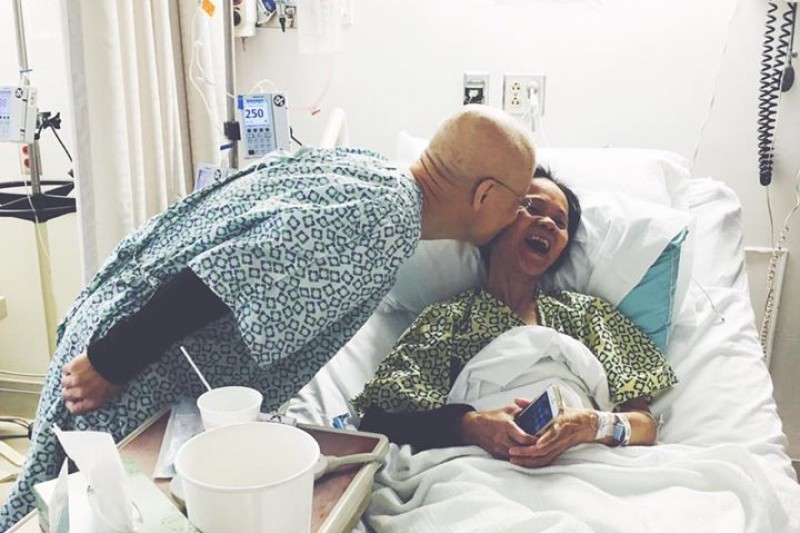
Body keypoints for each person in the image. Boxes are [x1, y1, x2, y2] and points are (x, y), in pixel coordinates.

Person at [0, 105, 536, 530]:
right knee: (56, 509)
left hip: (120, 320)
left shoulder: (370, 171)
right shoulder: (386, 221)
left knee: (45, 497)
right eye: (521, 202)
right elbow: (220, 276)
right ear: (484, 195)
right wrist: (110, 361)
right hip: (130, 364)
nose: (520, 216)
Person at [353, 168, 678, 467]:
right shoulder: (446, 319)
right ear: (497, 222)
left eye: (560, 222)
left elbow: (645, 426)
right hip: (481, 470)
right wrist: (470, 425)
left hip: (583, 462)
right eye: (532, 208)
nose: (548, 223)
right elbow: (380, 420)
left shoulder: (588, 315)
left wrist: (592, 424)